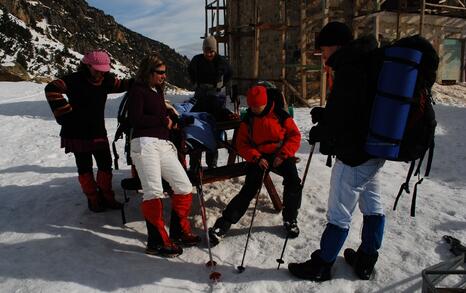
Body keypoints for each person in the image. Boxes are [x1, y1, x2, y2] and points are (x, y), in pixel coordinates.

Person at [288, 22, 385, 281]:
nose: (323, 55)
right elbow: (354, 108)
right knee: (373, 206)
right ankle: (366, 259)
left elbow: (346, 114)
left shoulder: (349, 68)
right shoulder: (365, 62)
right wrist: (326, 114)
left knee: (339, 213)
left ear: (336, 45)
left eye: (324, 49)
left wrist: (324, 129)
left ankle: (322, 264)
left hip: (354, 155)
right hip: (375, 149)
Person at [208, 85, 302, 245]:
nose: (255, 109)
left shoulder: (280, 114)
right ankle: (223, 225)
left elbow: (294, 135)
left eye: (257, 106)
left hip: (281, 153)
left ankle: (290, 219)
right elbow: (242, 144)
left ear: (265, 103)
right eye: (252, 106)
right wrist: (257, 158)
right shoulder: (248, 118)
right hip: (259, 156)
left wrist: (284, 154)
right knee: (249, 188)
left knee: (293, 180)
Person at [127, 53, 200, 258]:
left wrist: (171, 118)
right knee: (153, 191)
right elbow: (136, 119)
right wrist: (162, 119)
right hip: (144, 144)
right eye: (160, 72)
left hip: (163, 144)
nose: (164, 76)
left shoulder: (157, 90)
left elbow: (161, 115)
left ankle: (177, 232)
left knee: (184, 186)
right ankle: (156, 242)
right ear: (148, 72)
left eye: (165, 72)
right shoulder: (137, 91)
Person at [44, 50, 132, 213]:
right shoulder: (74, 80)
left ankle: (107, 197)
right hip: (76, 133)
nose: (100, 73)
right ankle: (93, 199)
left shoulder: (106, 80)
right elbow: (51, 88)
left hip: (98, 131)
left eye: (103, 70)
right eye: (97, 69)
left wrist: (144, 81)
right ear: (87, 65)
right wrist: (64, 111)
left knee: (106, 165)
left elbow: (124, 85)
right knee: (84, 167)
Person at [187, 35, 233, 169]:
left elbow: (230, 72)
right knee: (197, 126)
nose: (209, 54)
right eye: (207, 51)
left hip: (215, 95)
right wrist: (195, 81)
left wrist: (222, 83)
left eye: (211, 51)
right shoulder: (197, 60)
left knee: (214, 127)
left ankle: (211, 163)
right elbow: (190, 70)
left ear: (215, 50)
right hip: (201, 93)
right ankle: (195, 164)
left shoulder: (220, 61)